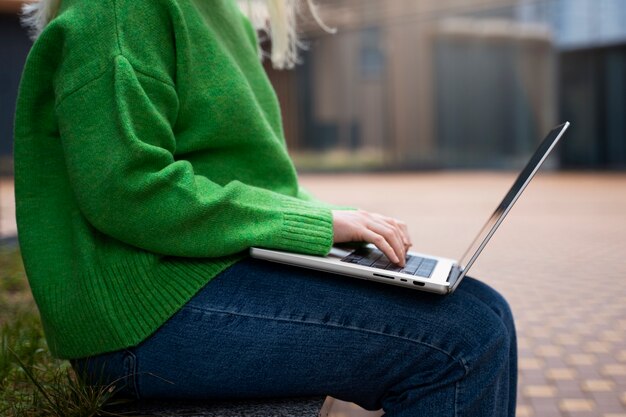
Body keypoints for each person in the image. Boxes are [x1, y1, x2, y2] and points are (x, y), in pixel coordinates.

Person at [14, 0, 517, 415]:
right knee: (463, 341)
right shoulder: (117, 12)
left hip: (207, 271)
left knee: (486, 309)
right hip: (138, 311)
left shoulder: (223, 13)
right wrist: (313, 225)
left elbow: (254, 179)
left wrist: (343, 225)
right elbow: (129, 189)